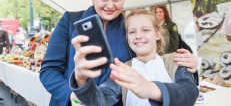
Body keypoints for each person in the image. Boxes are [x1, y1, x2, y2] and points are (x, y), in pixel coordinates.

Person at [40, 0, 198, 106]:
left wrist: (188, 63)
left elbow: (151, 59)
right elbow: (49, 70)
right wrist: (72, 96)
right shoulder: (70, 21)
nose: (110, 5)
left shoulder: (129, 29)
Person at [69, 9, 199, 106]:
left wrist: (150, 89)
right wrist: (82, 81)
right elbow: (102, 98)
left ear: (158, 34)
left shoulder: (176, 61)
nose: (138, 36)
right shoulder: (124, 69)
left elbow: (189, 91)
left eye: (145, 30)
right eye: (132, 32)